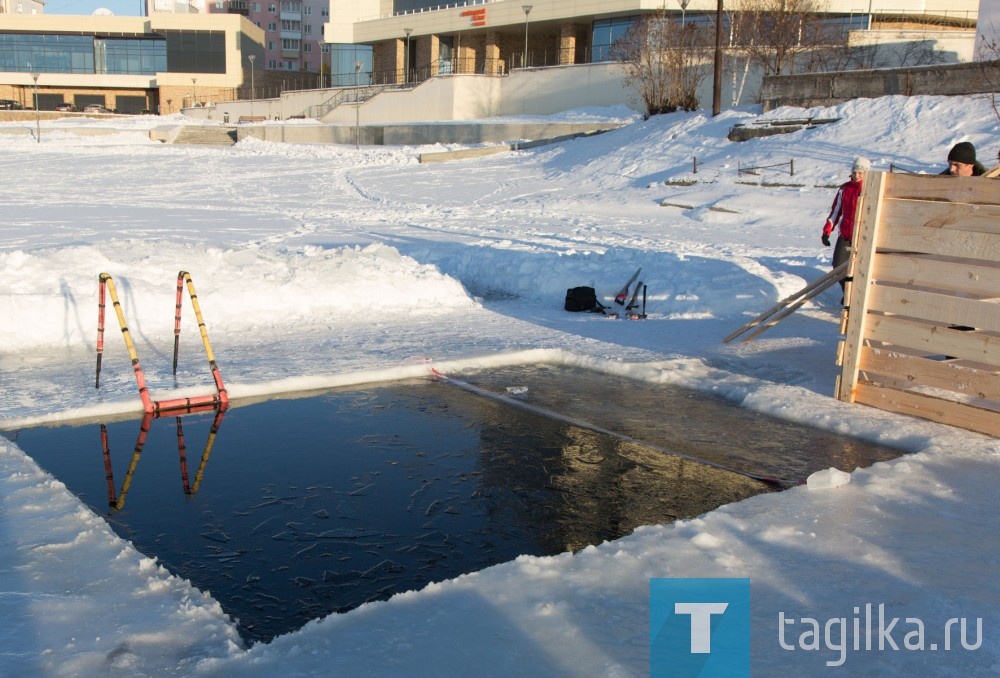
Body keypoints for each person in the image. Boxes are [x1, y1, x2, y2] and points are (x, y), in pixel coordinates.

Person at [821, 157, 870, 303]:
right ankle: (848, 293)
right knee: (838, 265)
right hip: (846, 235)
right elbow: (836, 211)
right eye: (855, 172)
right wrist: (826, 232)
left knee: (860, 269)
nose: (857, 176)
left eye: (860, 173)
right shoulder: (845, 189)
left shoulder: (870, 189)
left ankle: (857, 298)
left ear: (866, 173)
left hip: (864, 236)